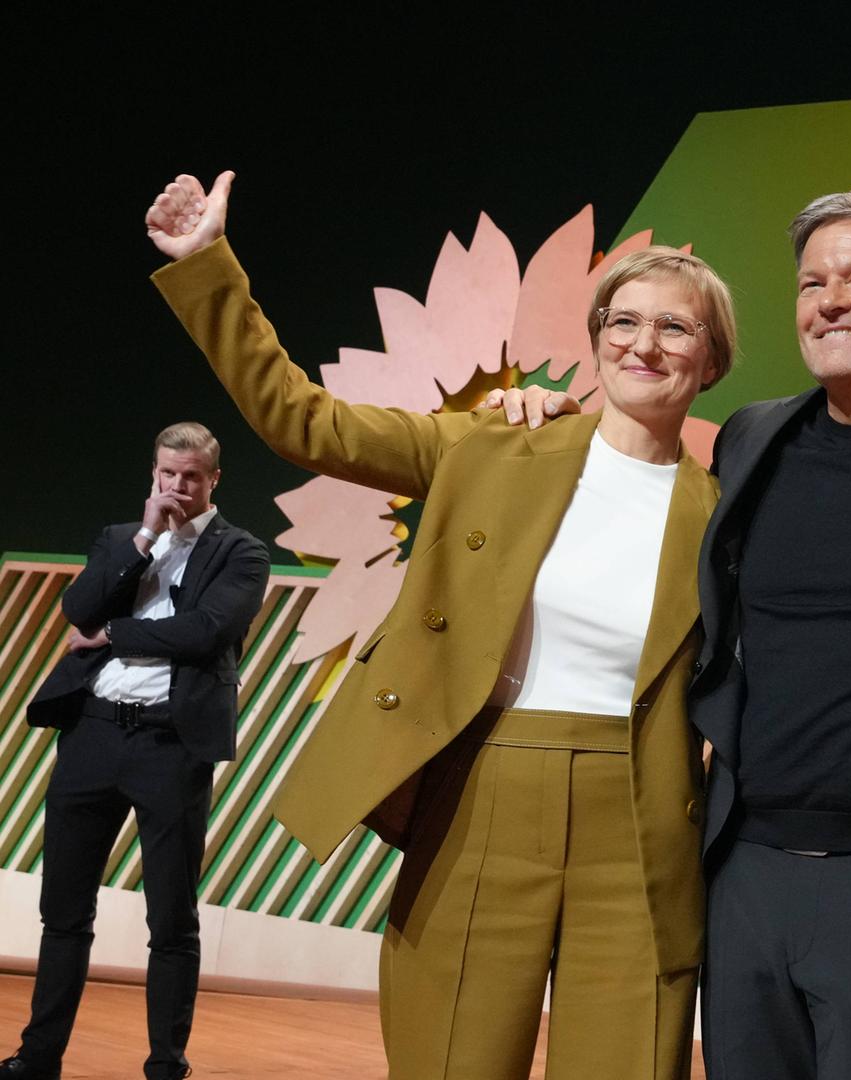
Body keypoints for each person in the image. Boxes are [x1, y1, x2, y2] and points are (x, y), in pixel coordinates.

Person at [141, 170, 737, 1080]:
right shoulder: (489, 446)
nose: (643, 343)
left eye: (674, 326)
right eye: (623, 320)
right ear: (597, 340)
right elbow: (302, 421)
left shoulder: (728, 516)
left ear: (712, 358)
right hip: (482, 793)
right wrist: (207, 268)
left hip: (643, 821)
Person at [499, 189, 851, 1080]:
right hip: (747, 867)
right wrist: (541, 426)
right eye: (812, 283)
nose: (830, 300)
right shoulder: (752, 439)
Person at [6, 423, 270, 1080]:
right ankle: (38, 1059)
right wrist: (147, 537)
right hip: (93, 734)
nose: (177, 486)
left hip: (170, 744)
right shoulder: (122, 538)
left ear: (214, 479)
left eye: (191, 477)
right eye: (167, 475)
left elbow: (208, 631)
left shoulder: (242, 553)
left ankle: (164, 1066)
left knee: (170, 918)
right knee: (63, 912)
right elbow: (79, 609)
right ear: (154, 473)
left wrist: (114, 638)